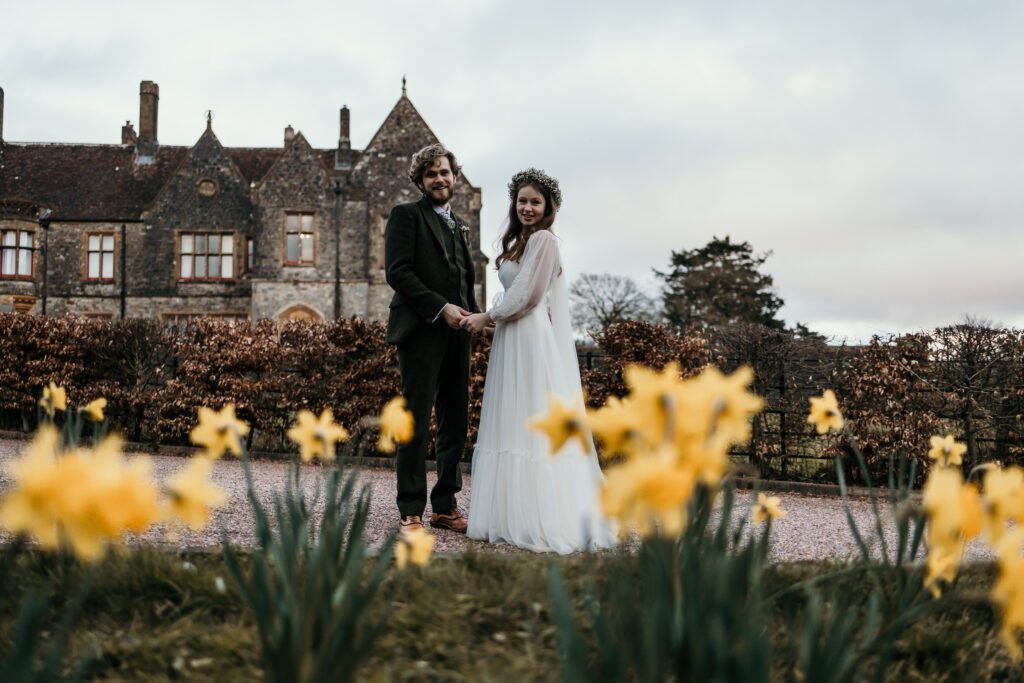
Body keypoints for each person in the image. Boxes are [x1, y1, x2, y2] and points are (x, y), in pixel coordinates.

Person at [461, 169, 613, 553]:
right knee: (512, 420)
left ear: (548, 208)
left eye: (535, 202)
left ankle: (543, 518)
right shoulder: (518, 243)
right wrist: (498, 323)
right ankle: (512, 516)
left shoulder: (544, 240)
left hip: (529, 340)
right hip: (512, 338)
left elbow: (529, 296)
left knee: (531, 420)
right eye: (522, 200)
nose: (527, 207)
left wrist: (485, 317)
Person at [384, 143, 480, 535]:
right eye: (431, 174)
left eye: (444, 172)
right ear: (420, 181)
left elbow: (462, 277)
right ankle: (410, 508)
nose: (439, 179)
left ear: (454, 176)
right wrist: (441, 307)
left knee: (455, 421)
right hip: (421, 330)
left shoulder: (460, 224)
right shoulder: (406, 216)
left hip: (459, 334)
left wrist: (477, 316)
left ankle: (445, 505)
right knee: (416, 421)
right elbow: (398, 272)